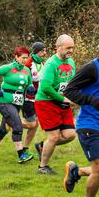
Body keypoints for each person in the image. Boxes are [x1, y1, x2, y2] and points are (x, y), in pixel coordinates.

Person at [62, 30, 99, 197]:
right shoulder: (92, 68)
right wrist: (90, 100)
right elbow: (70, 91)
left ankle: (77, 171)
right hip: (89, 124)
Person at [34, 35, 76, 174]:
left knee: (70, 134)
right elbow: (45, 87)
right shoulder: (51, 64)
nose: (71, 50)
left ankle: (43, 146)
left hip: (62, 102)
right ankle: (43, 167)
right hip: (46, 102)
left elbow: (72, 83)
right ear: (58, 47)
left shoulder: (71, 62)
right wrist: (62, 99)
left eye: (72, 48)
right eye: (68, 48)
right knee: (54, 137)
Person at [0, 47, 35, 163]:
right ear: (16, 57)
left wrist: (30, 88)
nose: (25, 60)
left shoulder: (26, 70)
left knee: (4, 127)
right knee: (17, 124)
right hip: (4, 101)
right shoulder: (8, 68)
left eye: (27, 58)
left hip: (18, 102)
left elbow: (29, 83)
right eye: (23, 58)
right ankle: (21, 154)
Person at [22, 42, 47, 156]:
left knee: (35, 124)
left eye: (45, 50)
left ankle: (25, 148)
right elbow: (21, 77)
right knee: (31, 124)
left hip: (38, 98)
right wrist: (28, 86)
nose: (45, 53)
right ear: (36, 52)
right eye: (42, 51)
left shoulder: (42, 62)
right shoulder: (28, 63)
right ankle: (11, 122)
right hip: (27, 98)